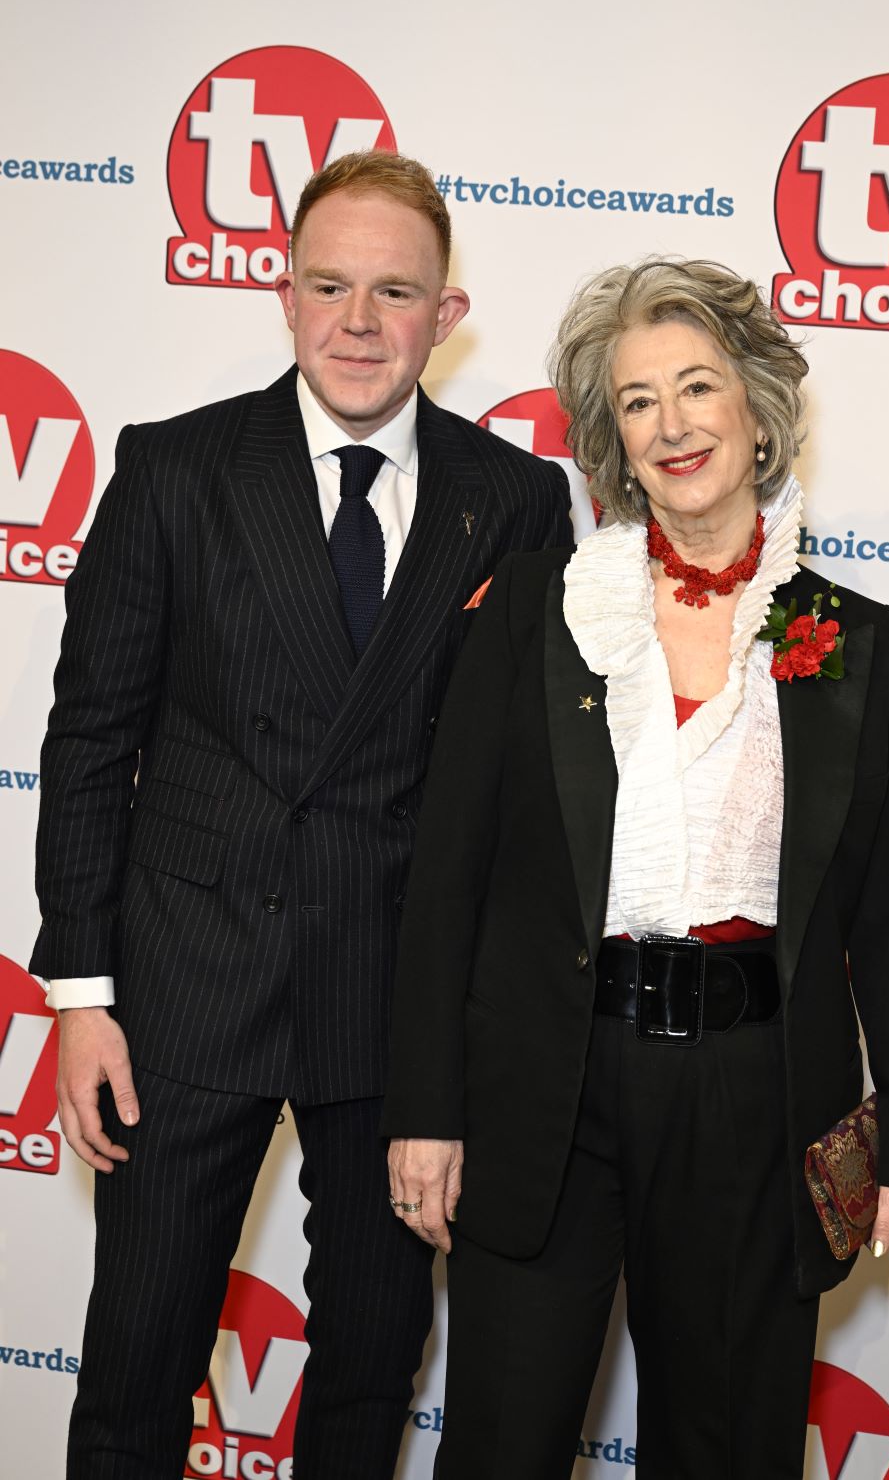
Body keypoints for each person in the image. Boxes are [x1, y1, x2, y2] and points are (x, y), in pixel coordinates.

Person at [31, 150, 572, 1480]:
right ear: (283, 294)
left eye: (396, 292)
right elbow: (93, 736)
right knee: (135, 1373)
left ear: (449, 315)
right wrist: (83, 994)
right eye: (329, 285)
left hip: (393, 1005)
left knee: (372, 1376)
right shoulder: (174, 469)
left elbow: (521, 790)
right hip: (185, 987)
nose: (358, 321)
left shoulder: (514, 501)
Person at [381, 258, 889, 1479]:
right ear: (611, 439)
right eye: (637, 401)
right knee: (500, 1443)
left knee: (729, 1451)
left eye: (697, 388)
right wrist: (426, 1111)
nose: (671, 423)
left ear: (756, 412)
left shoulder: (857, 642)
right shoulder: (539, 607)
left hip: (752, 1103)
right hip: (547, 1086)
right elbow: (447, 879)